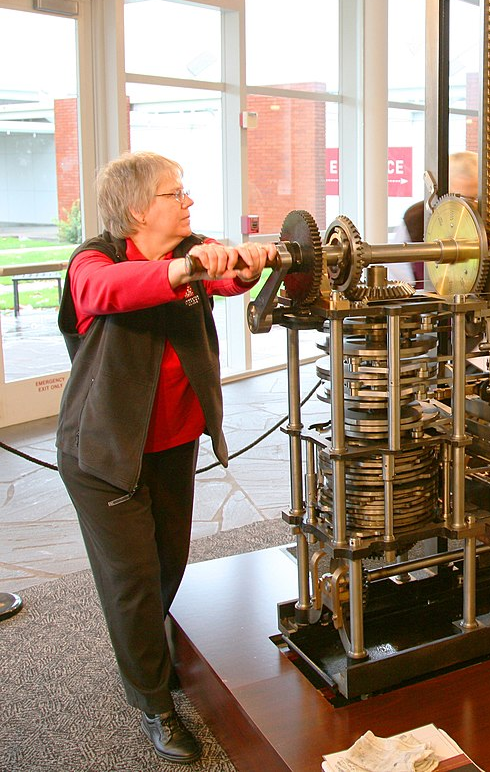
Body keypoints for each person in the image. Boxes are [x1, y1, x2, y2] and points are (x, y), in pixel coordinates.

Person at [55, 151, 276, 765]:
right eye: (174, 193)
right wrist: (182, 269)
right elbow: (107, 291)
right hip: (103, 454)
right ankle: (153, 701)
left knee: (168, 562)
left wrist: (250, 262)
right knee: (131, 581)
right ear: (135, 209)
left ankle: (149, 654)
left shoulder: (195, 250)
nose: (188, 201)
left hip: (173, 445)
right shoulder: (93, 259)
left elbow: (226, 278)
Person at [388, 150, 479, 286]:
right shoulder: (416, 220)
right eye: (460, 198)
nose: (468, 207)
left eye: (475, 199)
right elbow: (398, 278)